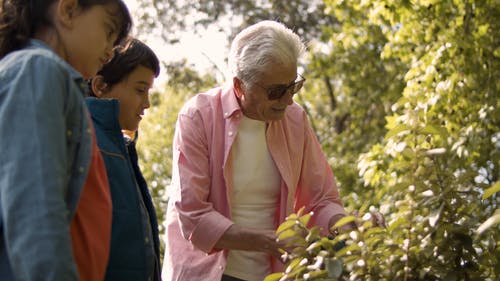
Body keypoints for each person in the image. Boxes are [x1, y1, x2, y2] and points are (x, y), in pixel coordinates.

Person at [162, 20, 355, 281]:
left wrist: (345, 224)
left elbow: (321, 199)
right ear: (240, 86)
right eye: (276, 91)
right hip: (208, 272)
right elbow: (192, 214)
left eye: (293, 85)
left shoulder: (295, 119)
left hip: (274, 274)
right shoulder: (199, 116)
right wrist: (268, 241)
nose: (289, 100)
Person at [0, 0, 131, 280]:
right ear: (69, 9)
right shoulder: (37, 70)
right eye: (108, 31)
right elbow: (35, 208)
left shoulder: (53, 80)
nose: (110, 53)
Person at [87, 37, 162, 281]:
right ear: (100, 87)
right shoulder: (87, 143)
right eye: (140, 90)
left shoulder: (120, 146)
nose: (147, 103)